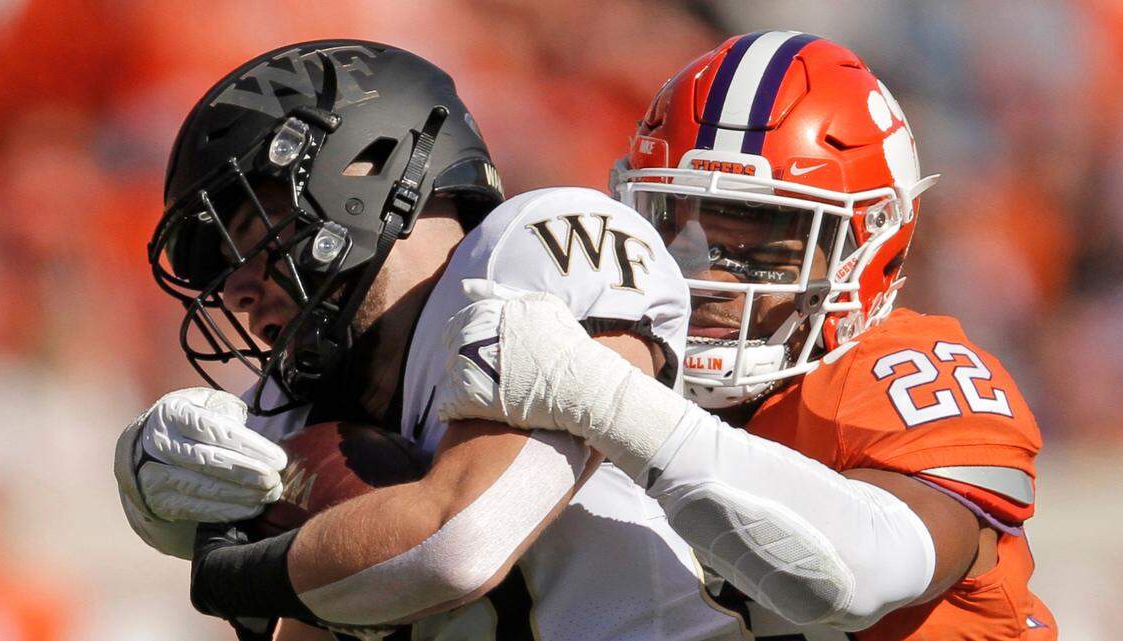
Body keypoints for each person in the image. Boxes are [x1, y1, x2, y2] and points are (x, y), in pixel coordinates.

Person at [112, 40, 748, 640]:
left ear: (362, 170)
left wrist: (242, 579)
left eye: (250, 235)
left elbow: (464, 543)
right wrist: (152, 488)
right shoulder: (301, 400)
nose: (235, 291)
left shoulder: (535, 253)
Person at [437, 31, 1057, 640]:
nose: (704, 275)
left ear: (871, 252)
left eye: (761, 246)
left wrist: (602, 399)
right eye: (676, 229)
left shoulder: (905, 373)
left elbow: (858, 576)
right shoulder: (623, 356)